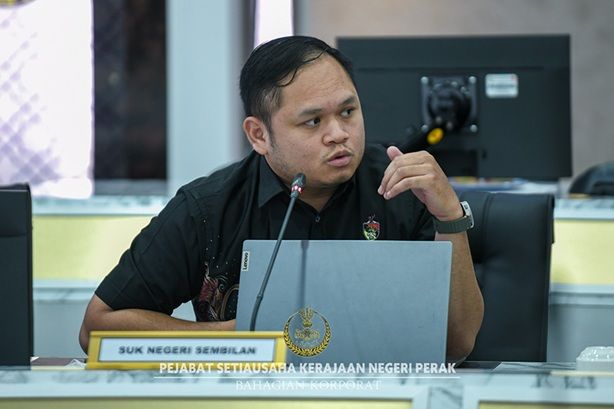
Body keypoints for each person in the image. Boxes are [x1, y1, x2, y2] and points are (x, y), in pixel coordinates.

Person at [79, 36, 483, 360]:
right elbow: (98, 327)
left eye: (348, 112)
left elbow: (457, 345)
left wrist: (449, 215)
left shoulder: (403, 189)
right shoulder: (209, 208)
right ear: (259, 135)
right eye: (313, 121)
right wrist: (237, 338)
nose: (338, 134)